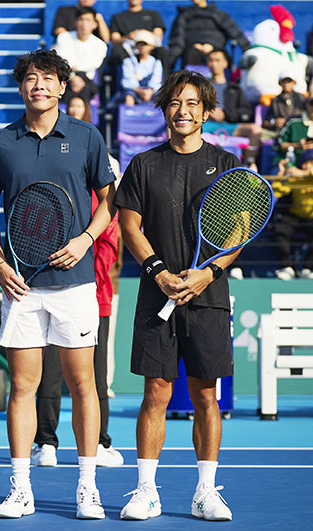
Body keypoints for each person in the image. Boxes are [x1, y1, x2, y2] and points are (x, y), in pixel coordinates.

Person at [0, 48, 116, 519]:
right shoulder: (0, 143)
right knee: (23, 387)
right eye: (30, 78)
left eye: (47, 78)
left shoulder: (86, 137)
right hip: (21, 285)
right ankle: (20, 489)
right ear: (21, 87)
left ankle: (87, 488)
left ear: (62, 86)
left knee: (83, 384)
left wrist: (85, 239)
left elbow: (108, 200)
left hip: (75, 284)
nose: (38, 85)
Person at [115, 69, 240, 521]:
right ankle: (146, 491)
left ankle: (205, 492)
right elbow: (129, 226)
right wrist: (160, 273)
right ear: (164, 110)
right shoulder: (143, 165)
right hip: (157, 296)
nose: (182, 111)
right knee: (156, 392)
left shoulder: (227, 164)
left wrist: (209, 273)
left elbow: (239, 230)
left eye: (192, 104)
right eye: (174, 103)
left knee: (206, 395)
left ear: (206, 112)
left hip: (209, 296)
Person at [31, 97, 124, 469]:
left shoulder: (106, 215)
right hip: (54, 289)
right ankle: (46, 443)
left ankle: (99, 442)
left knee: (94, 377)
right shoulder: (60, 201)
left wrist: (82, 252)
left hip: (95, 298)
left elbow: (107, 254)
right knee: (50, 373)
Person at [202, 49, 260, 165]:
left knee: (255, 129)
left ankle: (248, 165)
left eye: (217, 60)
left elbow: (246, 112)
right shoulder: (201, 87)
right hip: (206, 126)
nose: (214, 64)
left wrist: (225, 115)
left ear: (225, 63)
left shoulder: (234, 88)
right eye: (211, 60)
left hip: (229, 126)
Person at [168, 0, 249, 68]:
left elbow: (236, 33)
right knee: (191, 55)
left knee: (218, 57)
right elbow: (177, 39)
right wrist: (170, 61)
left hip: (215, 49)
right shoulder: (183, 16)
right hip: (192, 51)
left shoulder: (219, 14)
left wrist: (248, 52)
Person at [271, 149, 313, 280]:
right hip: (294, 216)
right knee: (280, 230)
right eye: (305, 163)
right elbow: (277, 192)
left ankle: (308, 268)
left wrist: (305, 173)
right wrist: (281, 173)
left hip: (311, 218)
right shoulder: (296, 179)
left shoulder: (301, 173)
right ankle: (287, 267)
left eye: (311, 163)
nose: (307, 166)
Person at [52, 7, 108, 104]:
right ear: (75, 22)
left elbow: (93, 64)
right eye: (81, 19)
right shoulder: (63, 38)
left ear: (95, 24)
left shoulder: (100, 45)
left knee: (82, 81)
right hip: (66, 77)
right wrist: (72, 77)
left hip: (86, 80)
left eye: (88, 20)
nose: (84, 23)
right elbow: (60, 61)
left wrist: (74, 72)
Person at [109, 0, 171, 75]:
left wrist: (142, 34)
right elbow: (115, 40)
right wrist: (128, 37)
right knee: (116, 52)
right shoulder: (117, 17)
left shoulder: (153, 14)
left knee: (162, 51)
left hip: (150, 49)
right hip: (127, 51)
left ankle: (166, 81)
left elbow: (158, 36)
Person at [120, 30, 163, 106]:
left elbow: (156, 81)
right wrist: (138, 91)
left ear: (151, 46)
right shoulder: (128, 61)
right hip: (133, 92)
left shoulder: (156, 63)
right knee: (128, 98)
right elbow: (127, 81)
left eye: (145, 44)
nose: (142, 47)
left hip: (152, 94)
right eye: (140, 44)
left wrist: (150, 91)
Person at [276, 97, 313, 168]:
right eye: (312, 103)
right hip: (291, 163)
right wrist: (298, 145)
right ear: (307, 104)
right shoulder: (293, 122)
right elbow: (280, 144)